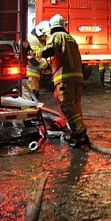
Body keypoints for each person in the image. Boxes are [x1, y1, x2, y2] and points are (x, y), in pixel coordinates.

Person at [42, 14, 90, 148]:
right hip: (77, 78)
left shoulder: (56, 36)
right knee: (75, 105)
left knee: (67, 106)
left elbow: (50, 50)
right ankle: (76, 133)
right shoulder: (71, 38)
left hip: (65, 78)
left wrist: (41, 52)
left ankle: (80, 133)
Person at [24, 20, 51, 101]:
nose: (46, 37)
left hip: (34, 74)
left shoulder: (38, 40)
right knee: (31, 98)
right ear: (40, 32)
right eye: (45, 35)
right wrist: (47, 65)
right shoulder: (33, 41)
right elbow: (36, 61)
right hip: (31, 74)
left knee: (33, 97)